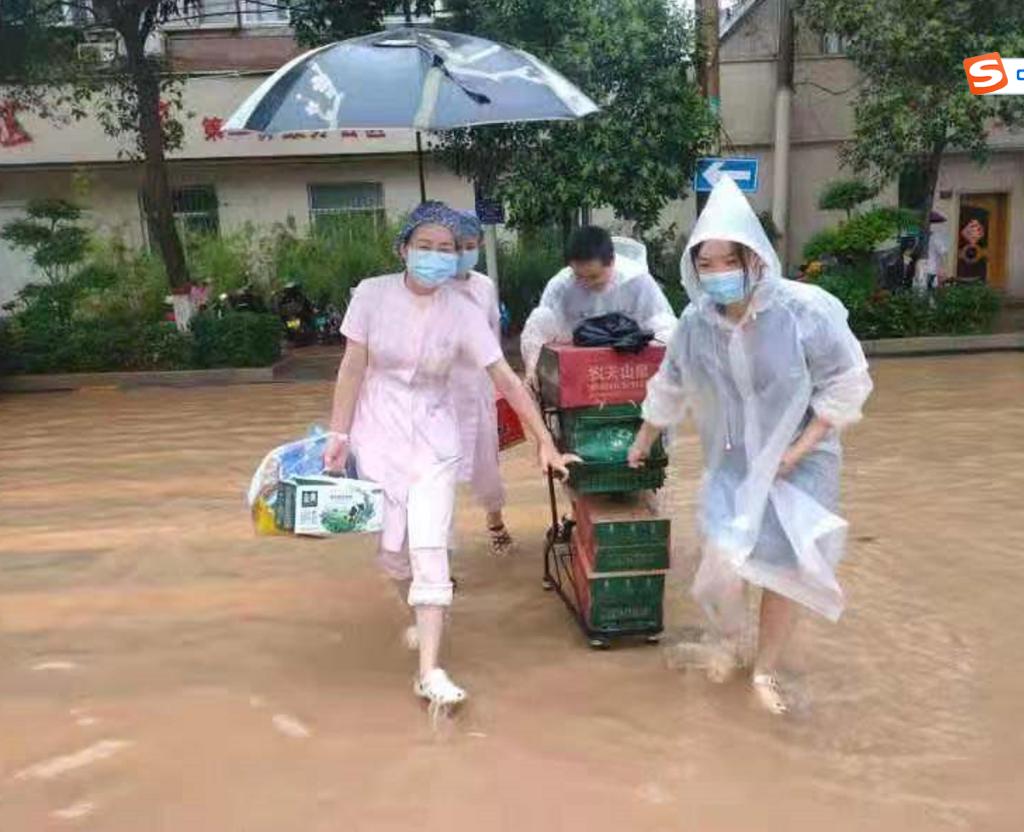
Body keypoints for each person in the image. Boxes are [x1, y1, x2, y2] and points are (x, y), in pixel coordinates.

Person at [628, 177, 873, 715]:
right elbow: (670, 382)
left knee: (782, 569)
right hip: (733, 462)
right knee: (725, 561)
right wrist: (644, 438)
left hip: (800, 464)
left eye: (728, 261)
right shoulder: (696, 323)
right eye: (706, 263)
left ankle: (764, 669)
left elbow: (847, 381)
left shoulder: (805, 312)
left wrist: (799, 450)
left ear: (755, 259)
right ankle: (730, 642)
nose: (717, 273)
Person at [322, 202, 576, 709]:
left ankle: (430, 671)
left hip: (436, 435)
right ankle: (420, 613)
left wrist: (544, 441)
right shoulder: (371, 295)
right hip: (377, 432)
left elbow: (504, 377)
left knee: (430, 545)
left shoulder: (463, 310)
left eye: (447, 249)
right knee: (395, 552)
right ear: (403, 249)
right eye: (426, 246)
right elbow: (351, 368)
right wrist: (338, 434)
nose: (436, 257)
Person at [520, 225, 678, 383]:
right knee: (541, 316)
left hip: (629, 364)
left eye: (594, 277)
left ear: (612, 261)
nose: (587, 283)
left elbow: (663, 325)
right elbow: (540, 326)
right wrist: (532, 369)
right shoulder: (561, 285)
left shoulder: (637, 281)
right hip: (577, 364)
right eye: (579, 276)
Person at [449, 211, 514, 556]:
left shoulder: (484, 286)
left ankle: (495, 521)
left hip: (477, 386)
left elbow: (493, 339)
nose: (463, 252)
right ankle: (438, 545)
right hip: (438, 392)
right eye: (456, 246)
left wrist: (500, 386)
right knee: (434, 472)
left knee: (487, 462)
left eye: (470, 246)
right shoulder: (430, 288)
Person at [925, 211, 949, 290]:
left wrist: (943, 270)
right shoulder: (920, 237)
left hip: (931, 271)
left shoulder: (935, 238)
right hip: (921, 271)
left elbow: (944, 254)